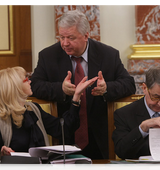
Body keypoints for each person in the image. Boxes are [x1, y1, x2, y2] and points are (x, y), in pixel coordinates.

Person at [30, 10, 136, 159]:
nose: (65, 43)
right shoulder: (48, 56)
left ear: (86, 35)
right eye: (62, 37)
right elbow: (34, 86)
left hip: (99, 136)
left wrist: (107, 89)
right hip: (64, 134)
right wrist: (60, 89)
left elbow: (129, 84)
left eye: (71, 38)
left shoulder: (108, 55)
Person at [0, 66, 98, 158]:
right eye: (26, 79)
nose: (30, 81)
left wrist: (76, 97)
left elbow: (63, 130)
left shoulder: (33, 110)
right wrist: (0, 155)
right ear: (15, 87)